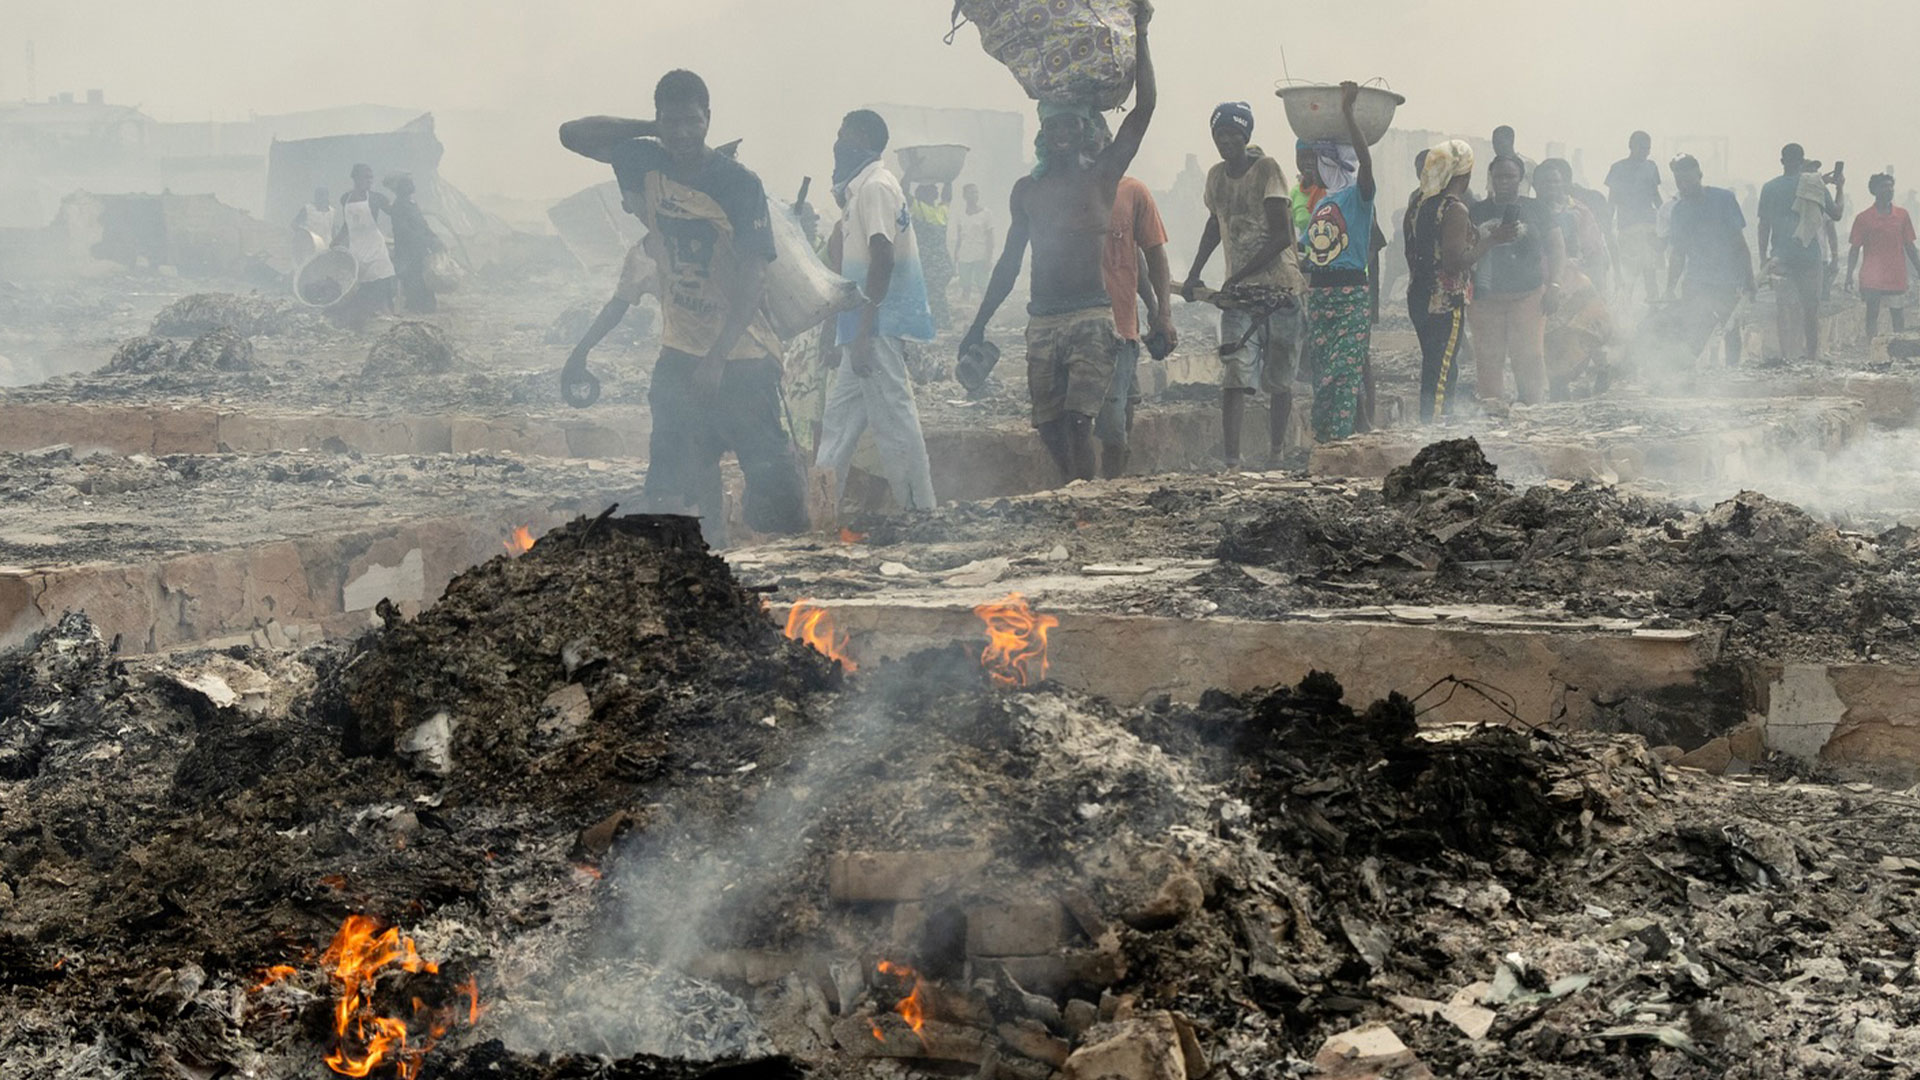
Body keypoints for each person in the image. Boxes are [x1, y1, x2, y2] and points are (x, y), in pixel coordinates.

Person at [558, 69, 808, 545]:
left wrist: (717, 355)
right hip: (678, 355)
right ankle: (699, 575)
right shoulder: (644, 160)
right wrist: (649, 128)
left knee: (773, 492)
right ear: (658, 122)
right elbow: (572, 134)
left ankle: (795, 590)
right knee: (675, 483)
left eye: (693, 121)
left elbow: (755, 275)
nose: (684, 133)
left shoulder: (738, 183)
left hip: (744, 359)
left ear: (709, 119)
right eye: (672, 122)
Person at [958, 0, 1156, 485]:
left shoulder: (1103, 179)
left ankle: (1082, 504)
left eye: (1071, 124)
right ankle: (1077, 488)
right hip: (1042, 318)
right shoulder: (1028, 192)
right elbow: (1007, 264)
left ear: (1084, 128)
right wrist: (977, 324)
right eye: (1053, 125)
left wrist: (1143, 32)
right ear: (1043, 133)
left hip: (1091, 315)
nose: (1062, 132)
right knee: (1048, 425)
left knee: (1078, 419)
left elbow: (1145, 109)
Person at [816, 109, 939, 512]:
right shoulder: (860, 191)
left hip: (877, 326)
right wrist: (838, 331)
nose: (836, 145)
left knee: (895, 422)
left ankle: (921, 512)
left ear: (865, 139)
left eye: (843, 135)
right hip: (861, 329)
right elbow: (847, 266)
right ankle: (820, 513)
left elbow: (882, 257)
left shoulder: (875, 188)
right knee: (838, 425)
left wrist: (865, 330)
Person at [1179, 100, 1304, 470]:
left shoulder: (1267, 170)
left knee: (1280, 378)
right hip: (1240, 297)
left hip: (1280, 291)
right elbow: (1213, 224)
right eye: (1220, 135)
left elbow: (1281, 236)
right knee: (1234, 373)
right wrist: (1194, 273)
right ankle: (1232, 460)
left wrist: (1239, 274)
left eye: (1233, 134)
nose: (1226, 141)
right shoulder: (1216, 177)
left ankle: (1276, 452)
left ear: (1245, 135)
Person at [1094, 125, 1177, 479]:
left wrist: (1160, 312)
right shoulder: (1068, 193)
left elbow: (1147, 258)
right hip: (1081, 323)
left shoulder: (1132, 192)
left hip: (1120, 326)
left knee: (1118, 416)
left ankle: (1111, 489)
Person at [1296, 82, 1377, 442]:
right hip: (1321, 296)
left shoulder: (1360, 197)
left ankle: (1342, 442)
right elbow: (1308, 252)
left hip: (1349, 295)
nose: (1320, 164)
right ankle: (1326, 440)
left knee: (1344, 371)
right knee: (1324, 373)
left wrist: (1347, 112)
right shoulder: (1321, 203)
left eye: (1326, 158)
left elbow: (1367, 162)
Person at [1408, 141, 1508, 421]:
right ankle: (1435, 429)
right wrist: (1490, 241)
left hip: (1419, 294)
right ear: (1463, 174)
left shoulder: (1418, 203)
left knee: (1433, 364)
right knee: (1442, 369)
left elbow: (1410, 251)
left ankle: (1430, 422)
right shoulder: (1455, 209)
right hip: (1443, 299)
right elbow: (1454, 263)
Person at [1468, 156, 1565, 406]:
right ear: (1491, 178)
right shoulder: (1476, 211)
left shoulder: (1537, 209)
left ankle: (1532, 406)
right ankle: (1492, 407)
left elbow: (1556, 248)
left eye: (1510, 177)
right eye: (1498, 176)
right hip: (1486, 298)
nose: (1503, 182)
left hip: (1528, 295)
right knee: (1489, 357)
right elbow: (1466, 251)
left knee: (1530, 356)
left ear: (1520, 179)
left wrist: (1554, 285)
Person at [1533, 159, 1613, 398]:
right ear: (1536, 185)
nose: (1551, 186)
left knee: (1586, 329)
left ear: (1564, 183)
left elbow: (1595, 249)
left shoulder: (1577, 211)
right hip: (1541, 281)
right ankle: (1559, 384)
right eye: (1545, 181)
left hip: (1575, 280)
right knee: (1552, 337)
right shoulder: (1529, 210)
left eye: (1556, 181)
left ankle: (1602, 368)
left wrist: (1598, 281)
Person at [1665, 153, 1754, 366]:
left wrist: (1749, 278)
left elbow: (1739, 242)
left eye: (1687, 179)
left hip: (1727, 279)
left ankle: (1732, 371)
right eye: (1679, 181)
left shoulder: (1723, 199)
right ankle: (1685, 373)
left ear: (1700, 175)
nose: (1683, 186)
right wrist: (1669, 287)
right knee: (1694, 327)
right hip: (1696, 280)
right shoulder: (1679, 211)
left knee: (1730, 327)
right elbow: (1678, 253)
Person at [1757, 143, 1843, 362]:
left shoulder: (1770, 187)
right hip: (1809, 256)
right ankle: (1812, 357)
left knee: (1783, 308)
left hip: (1781, 257)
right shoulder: (1814, 185)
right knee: (1810, 310)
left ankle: (1787, 356)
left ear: (1782, 161)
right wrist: (1840, 187)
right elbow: (1837, 214)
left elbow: (1763, 225)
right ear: (1802, 160)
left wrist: (1762, 257)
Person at [1847, 173, 1920, 336]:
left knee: (1898, 315)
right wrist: (1849, 275)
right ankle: (1872, 352)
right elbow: (1854, 249)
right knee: (1872, 315)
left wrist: (1918, 268)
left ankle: (1899, 351)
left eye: (1890, 186)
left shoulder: (1902, 215)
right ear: (1874, 190)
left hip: (1896, 275)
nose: (1889, 189)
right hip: (1872, 277)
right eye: (1884, 186)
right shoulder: (1863, 218)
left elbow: (1910, 246)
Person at [331, 163, 396, 329]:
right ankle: (367, 312)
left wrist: (400, 197)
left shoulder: (376, 198)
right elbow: (347, 224)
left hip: (375, 246)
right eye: (366, 177)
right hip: (357, 248)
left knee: (383, 277)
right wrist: (336, 240)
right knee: (364, 282)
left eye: (371, 177)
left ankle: (386, 311)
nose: (369, 180)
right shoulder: (345, 198)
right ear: (355, 178)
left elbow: (394, 212)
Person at [1605, 132, 1663, 303]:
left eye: (1648, 148)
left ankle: (1653, 305)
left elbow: (1655, 195)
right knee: (1628, 271)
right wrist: (1607, 225)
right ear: (1631, 146)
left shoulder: (1651, 167)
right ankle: (1623, 308)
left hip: (1649, 225)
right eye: (1642, 148)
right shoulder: (1618, 168)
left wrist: (1665, 218)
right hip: (1628, 227)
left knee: (1650, 269)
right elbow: (1612, 199)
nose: (1645, 152)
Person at [385, 174, 442, 314]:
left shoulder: (412, 204)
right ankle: (416, 308)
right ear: (399, 189)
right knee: (412, 281)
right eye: (407, 184)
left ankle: (426, 307)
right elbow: (405, 231)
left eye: (411, 184)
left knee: (423, 279)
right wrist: (427, 241)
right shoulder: (398, 206)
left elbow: (423, 224)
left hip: (419, 250)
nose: (411, 186)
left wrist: (434, 238)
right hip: (407, 252)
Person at [910, 182, 955, 332]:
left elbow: (947, 197)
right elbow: (947, 196)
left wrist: (949, 178)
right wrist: (948, 178)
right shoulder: (923, 208)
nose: (936, 192)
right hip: (937, 261)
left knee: (933, 292)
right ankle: (942, 321)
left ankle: (938, 322)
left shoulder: (934, 210)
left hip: (932, 261)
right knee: (936, 292)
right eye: (932, 190)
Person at [951, 183, 996, 309]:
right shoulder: (961, 215)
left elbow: (990, 238)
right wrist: (956, 257)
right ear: (964, 196)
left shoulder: (986, 213)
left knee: (983, 286)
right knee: (965, 286)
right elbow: (960, 237)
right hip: (964, 256)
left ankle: (987, 311)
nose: (975, 195)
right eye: (971, 192)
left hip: (980, 255)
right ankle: (965, 312)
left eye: (976, 192)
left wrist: (989, 258)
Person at [292, 187, 333, 265]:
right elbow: (294, 224)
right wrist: (303, 236)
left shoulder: (332, 212)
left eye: (324, 195)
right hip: (309, 248)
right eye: (319, 195)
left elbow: (331, 229)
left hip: (325, 247)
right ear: (316, 197)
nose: (322, 198)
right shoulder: (308, 209)